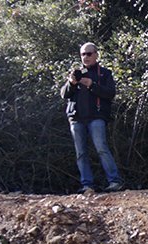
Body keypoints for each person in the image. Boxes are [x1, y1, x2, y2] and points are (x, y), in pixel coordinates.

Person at [60, 42, 123, 194]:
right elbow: (64, 94)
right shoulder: (76, 73)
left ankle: (115, 182)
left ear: (96, 55)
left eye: (89, 54)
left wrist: (92, 85)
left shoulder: (104, 73)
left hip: (96, 117)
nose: (86, 57)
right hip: (76, 119)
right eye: (83, 54)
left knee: (101, 148)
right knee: (81, 153)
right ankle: (87, 184)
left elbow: (110, 94)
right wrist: (71, 83)